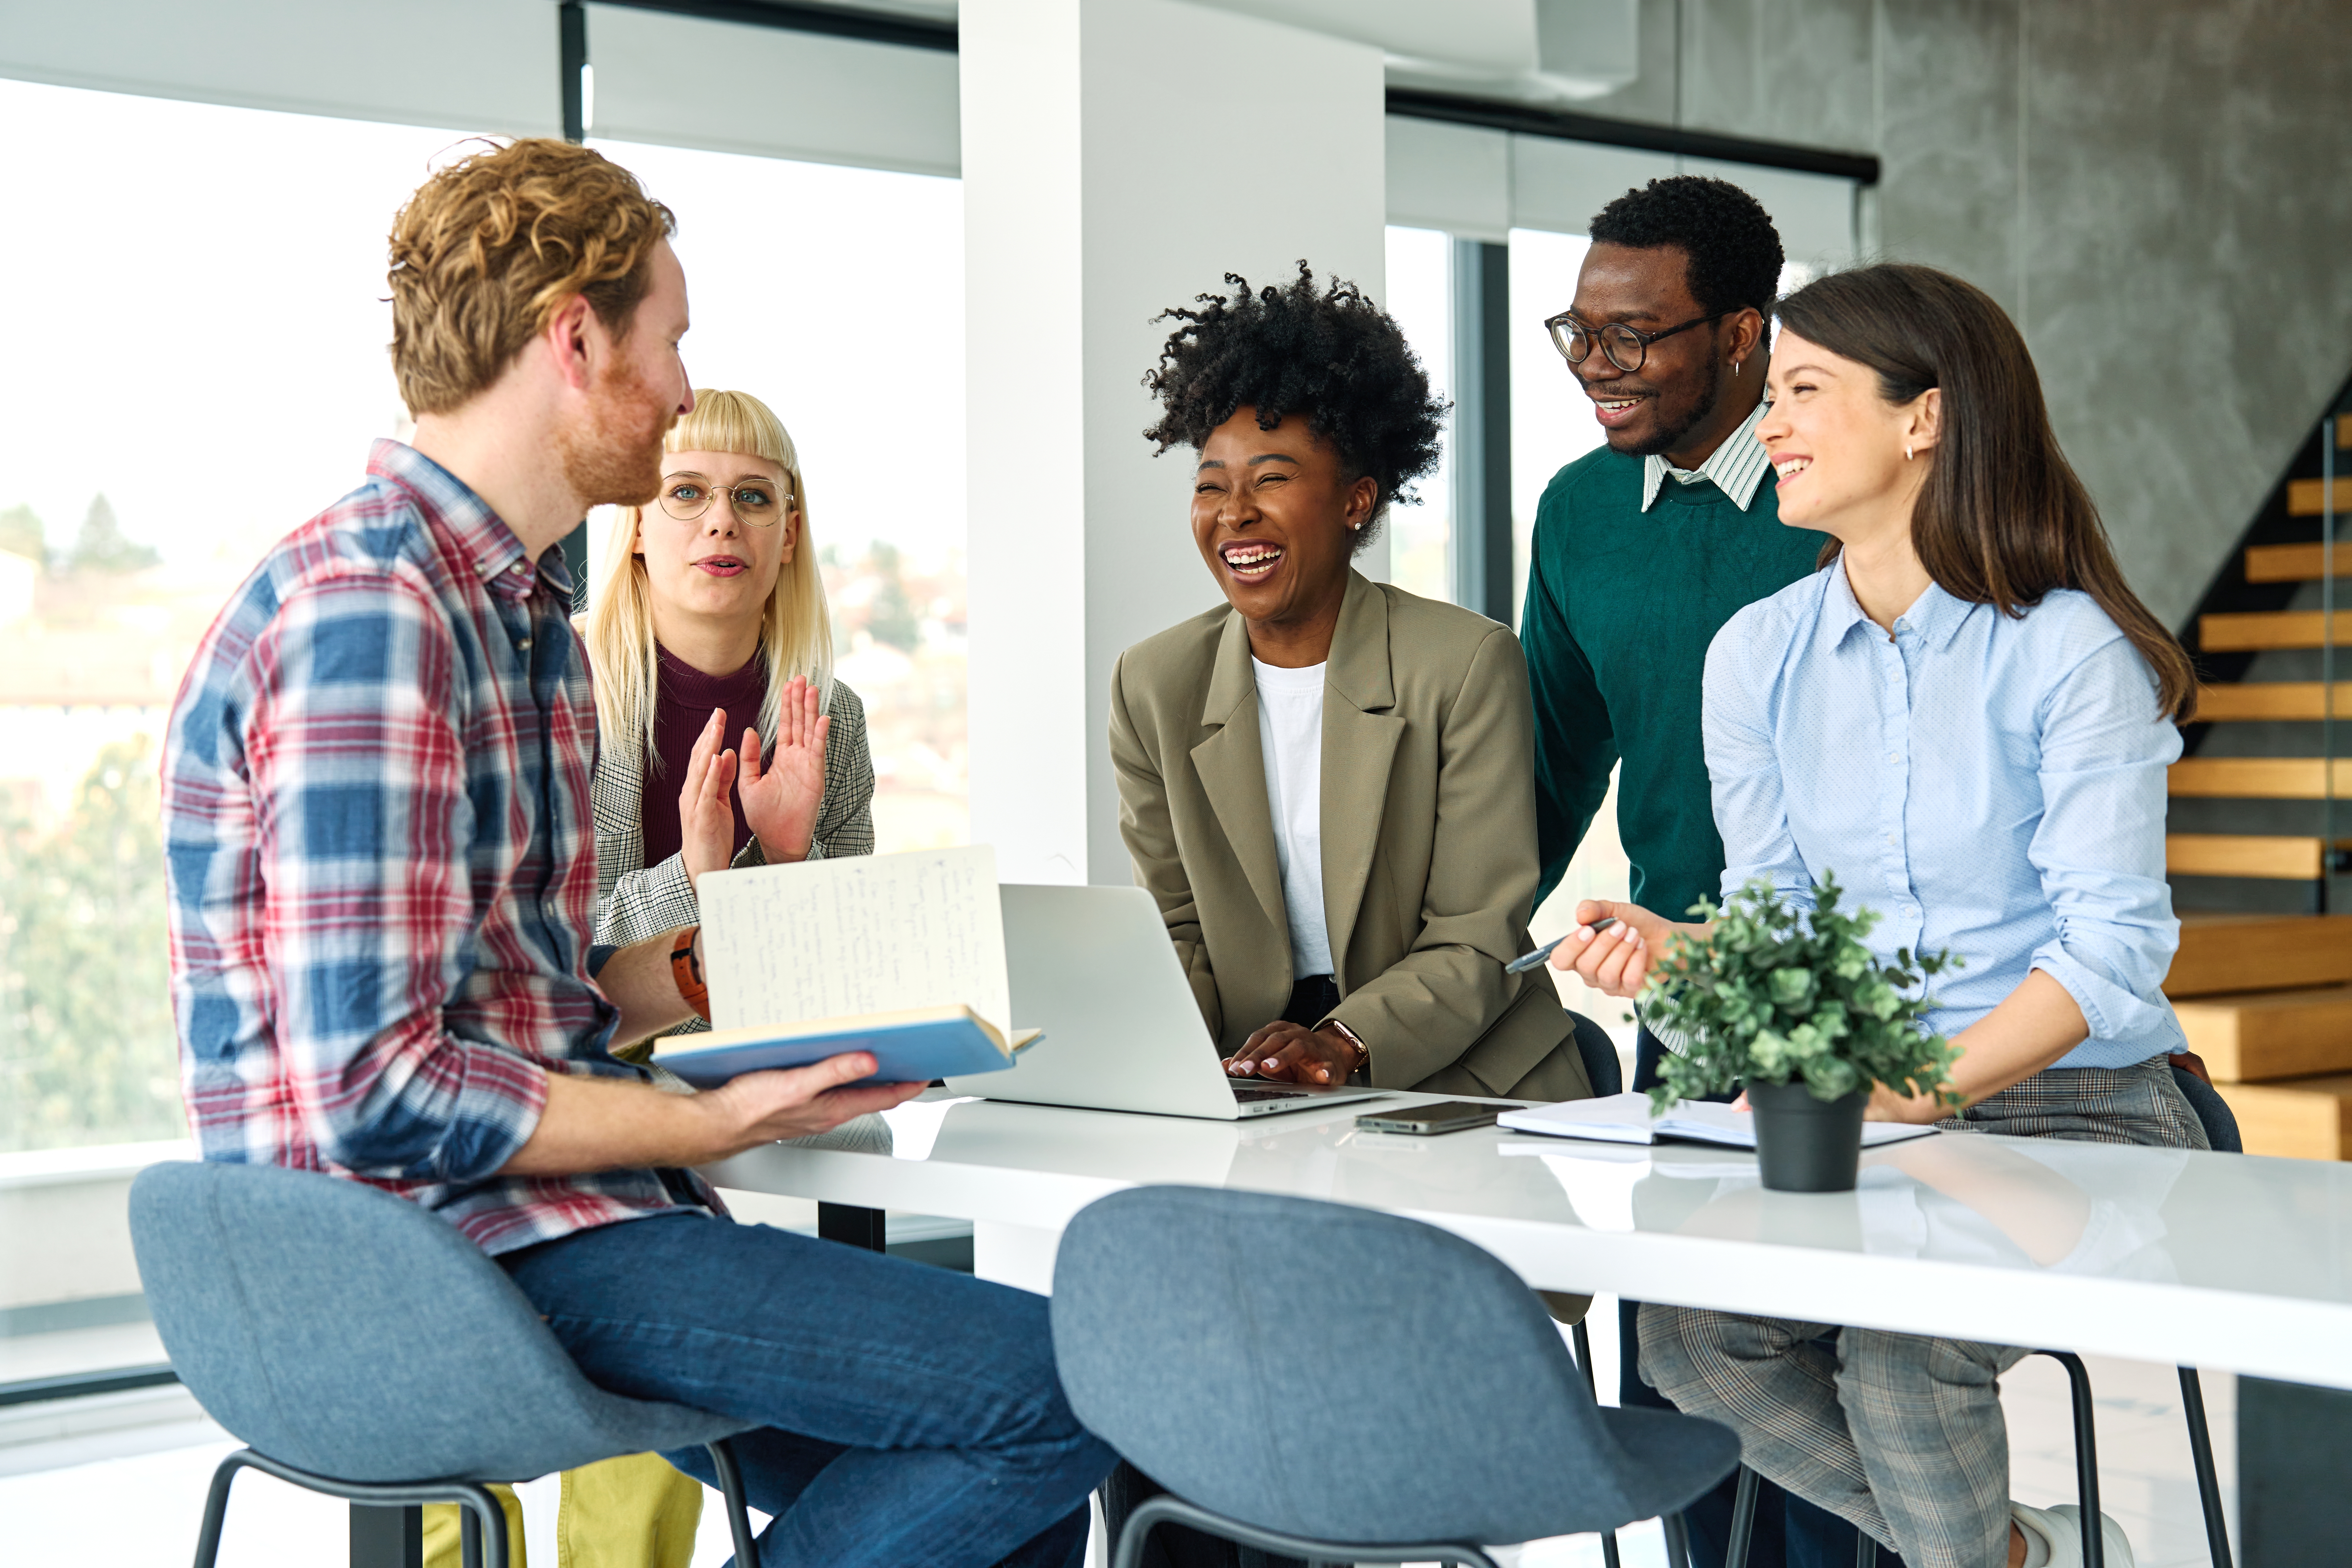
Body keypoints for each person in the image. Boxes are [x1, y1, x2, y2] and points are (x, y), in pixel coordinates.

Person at [160, 137, 1112, 1568]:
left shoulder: (518, 616)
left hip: (544, 1228)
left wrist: (729, 956)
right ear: (575, 338)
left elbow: (538, 1003)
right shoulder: (377, 609)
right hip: (453, 1255)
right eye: (669, 343)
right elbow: (378, 1089)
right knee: (1060, 1393)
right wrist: (712, 1122)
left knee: (1007, 1483)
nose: (676, 393)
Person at [1558, 262, 2204, 1568]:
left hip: (2087, 1102)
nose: (1772, 424)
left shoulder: (2073, 653)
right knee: (1686, 1338)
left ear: (1926, 420)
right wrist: (1683, 955)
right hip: (1880, 1109)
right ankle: (2027, 1557)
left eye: (1803, 391)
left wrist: (1909, 1087)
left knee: (1908, 1352)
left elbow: (2113, 953)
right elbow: (1787, 929)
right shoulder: (1756, 655)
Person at [1101, 264, 1595, 1567]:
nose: (1233, 512)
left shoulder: (1461, 663)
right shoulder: (1156, 685)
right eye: (1210, 479)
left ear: (1358, 498)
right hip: (1263, 1086)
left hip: (1459, 1073)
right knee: (1153, 1368)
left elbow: (1484, 929)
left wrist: (1348, 1048)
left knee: (1323, 1350)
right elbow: (1175, 931)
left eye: (1272, 476)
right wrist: (1174, 1058)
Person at [472, 397, 871, 1568]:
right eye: (687, 493)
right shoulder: (569, 695)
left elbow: (838, 961)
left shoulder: (824, 718)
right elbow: (559, 963)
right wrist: (702, 875)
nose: (721, 524)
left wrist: (782, 864)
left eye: (754, 497)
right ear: (635, 527)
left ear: (789, 535)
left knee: (675, 1387)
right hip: (571, 1087)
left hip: (743, 1079)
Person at [1518, 174, 1849, 1567]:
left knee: (1833, 1377)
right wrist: (1443, 968)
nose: (1598, 366)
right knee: (1673, 1370)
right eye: (1579, 333)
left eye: (1636, 337)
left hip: (1855, 995)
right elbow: (1545, 763)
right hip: (1685, 998)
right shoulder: (1582, 511)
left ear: (1743, 337)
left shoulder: (1840, 484)